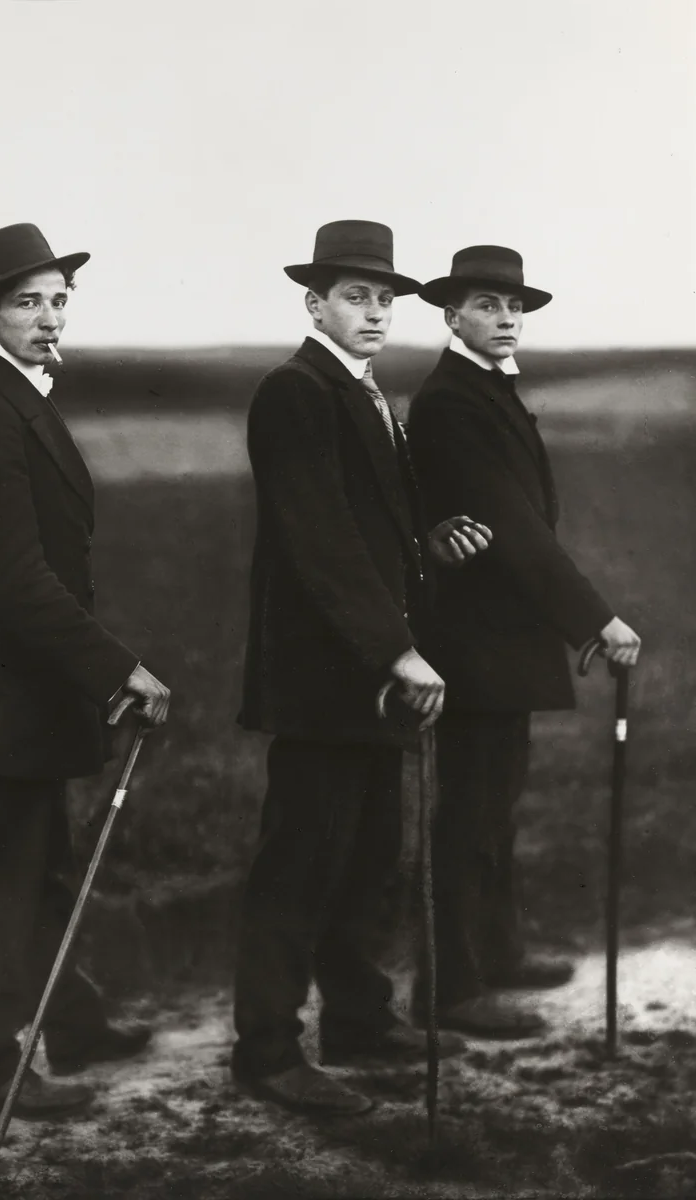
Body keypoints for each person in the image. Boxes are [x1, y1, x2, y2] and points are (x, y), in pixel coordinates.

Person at [232, 220, 493, 1116]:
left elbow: (370, 530)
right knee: (299, 861)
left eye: (384, 298)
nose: (375, 311)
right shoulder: (294, 391)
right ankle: (266, 1051)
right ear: (315, 303)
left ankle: (356, 1018)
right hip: (322, 678)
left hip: (370, 675)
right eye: (355, 296)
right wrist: (396, 648)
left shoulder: (366, 391)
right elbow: (320, 539)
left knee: (369, 854)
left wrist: (426, 543)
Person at [0, 223, 171, 1117]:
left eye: (59, 299)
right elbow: (15, 578)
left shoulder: (15, 395)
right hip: (3, 694)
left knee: (44, 866)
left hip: (27, 688)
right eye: (28, 302)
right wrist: (117, 670)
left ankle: (71, 1024)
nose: (49, 317)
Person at [407, 245, 641, 1038]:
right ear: (451, 315)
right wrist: (593, 619)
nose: (505, 318)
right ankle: (451, 986)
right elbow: (510, 526)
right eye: (486, 305)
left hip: (504, 638)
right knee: (469, 811)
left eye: (513, 307)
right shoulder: (450, 402)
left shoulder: (485, 391)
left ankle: (497, 952)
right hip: (472, 640)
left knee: (495, 805)